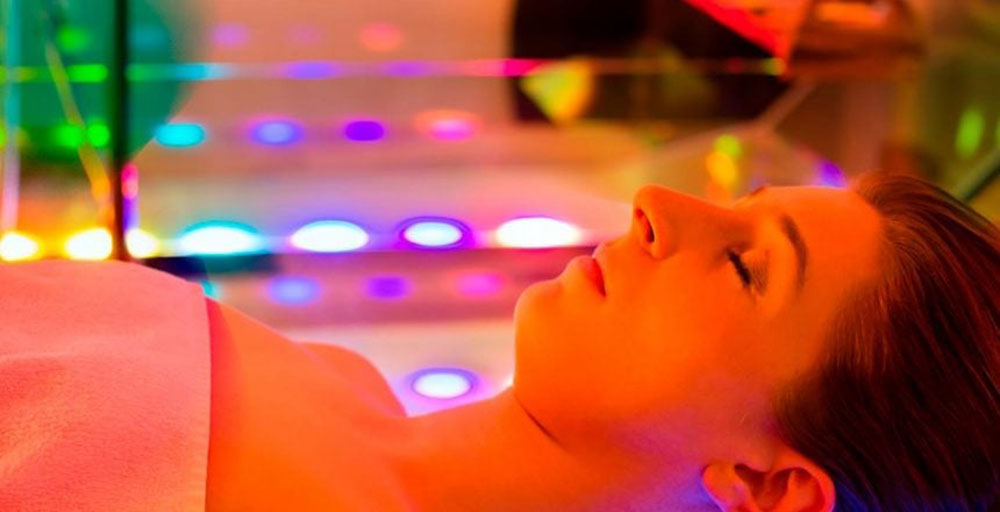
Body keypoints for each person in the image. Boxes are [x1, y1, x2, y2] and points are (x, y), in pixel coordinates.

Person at [1, 173, 996, 511]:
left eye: (745, 265)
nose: (658, 204)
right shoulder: (336, 374)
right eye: (734, 200)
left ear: (768, 488)